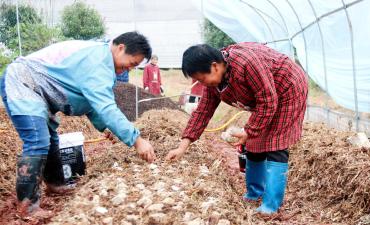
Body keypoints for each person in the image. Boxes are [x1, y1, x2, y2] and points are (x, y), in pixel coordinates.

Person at [0, 31, 156, 217]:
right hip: (23, 82)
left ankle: (56, 184)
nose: (128, 69)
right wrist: (137, 140)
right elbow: (106, 107)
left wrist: (106, 127)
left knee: (50, 139)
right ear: (121, 48)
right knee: (37, 140)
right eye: (131, 64)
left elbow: (91, 104)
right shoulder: (97, 61)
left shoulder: (102, 60)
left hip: (40, 92)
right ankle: (28, 206)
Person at [166, 43, 308, 215]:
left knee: (275, 144)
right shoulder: (214, 83)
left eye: (202, 79)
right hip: (267, 97)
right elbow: (203, 111)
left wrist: (249, 130)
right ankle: (254, 193)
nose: (203, 84)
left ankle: (271, 205)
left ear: (214, 66)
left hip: (287, 88)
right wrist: (182, 146)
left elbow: (268, 100)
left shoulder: (246, 63)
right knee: (254, 143)